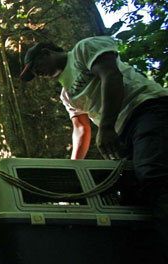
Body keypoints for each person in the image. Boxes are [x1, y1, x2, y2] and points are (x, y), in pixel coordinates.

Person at [19, 36, 168, 223]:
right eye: (33, 73)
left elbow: (111, 75)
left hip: (147, 109)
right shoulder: (67, 95)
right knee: (132, 197)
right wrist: (73, 168)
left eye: (36, 65)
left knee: (153, 174)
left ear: (46, 52)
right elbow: (81, 127)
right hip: (125, 132)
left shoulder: (82, 50)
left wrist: (105, 127)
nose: (37, 73)